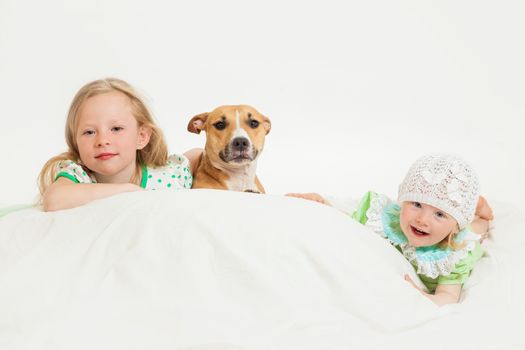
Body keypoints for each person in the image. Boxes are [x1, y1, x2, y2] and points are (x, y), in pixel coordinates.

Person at [287, 154, 494, 306]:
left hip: (465, 235)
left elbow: (447, 297)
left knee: (479, 228)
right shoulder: (388, 219)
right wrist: (323, 202)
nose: (422, 219)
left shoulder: (454, 256)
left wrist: (423, 297)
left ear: (455, 225)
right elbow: (348, 217)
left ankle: (481, 212)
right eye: (416, 204)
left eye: (439, 214)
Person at [38, 78, 200, 212]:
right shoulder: (79, 177)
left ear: (141, 137)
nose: (102, 140)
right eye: (89, 132)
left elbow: (197, 156)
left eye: (116, 129)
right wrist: (126, 190)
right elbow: (54, 200)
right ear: (75, 141)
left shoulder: (168, 176)